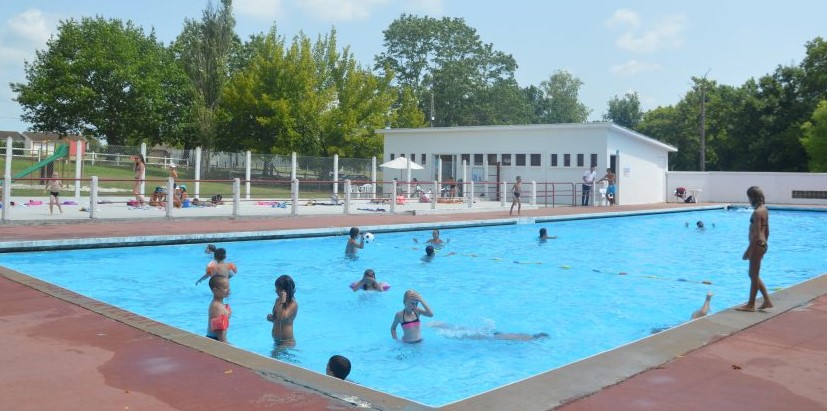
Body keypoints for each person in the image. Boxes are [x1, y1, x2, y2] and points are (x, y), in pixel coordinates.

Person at [736, 186, 773, 312]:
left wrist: (748, 251)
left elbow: (757, 234)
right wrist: (764, 245)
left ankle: (751, 305)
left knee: (753, 274)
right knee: (753, 274)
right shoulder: (764, 209)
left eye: (749, 197)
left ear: (752, 197)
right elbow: (767, 231)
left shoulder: (757, 213)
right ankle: (767, 300)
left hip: (756, 245)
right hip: (761, 244)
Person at [267, 274, 298, 346]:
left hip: (287, 342)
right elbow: (277, 318)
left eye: (277, 289)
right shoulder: (278, 301)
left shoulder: (293, 304)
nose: (275, 291)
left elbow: (282, 318)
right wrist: (271, 318)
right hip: (276, 341)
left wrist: (283, 301)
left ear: (284, 291)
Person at [206, 276, 231, 342]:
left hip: (216, 339)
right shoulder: (217, 307)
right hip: (214, 341)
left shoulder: (220, 304)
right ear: (215, 290)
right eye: (225, 287)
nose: (229, 289)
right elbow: (219, 331)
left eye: (228, 286)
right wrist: (226, 344)